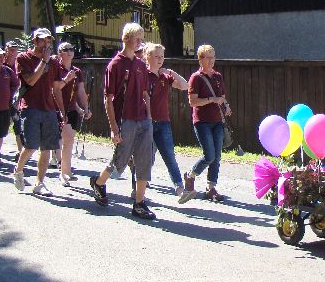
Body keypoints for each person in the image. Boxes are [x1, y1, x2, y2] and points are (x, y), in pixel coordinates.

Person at [89, 22, 156, 220]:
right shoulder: (115, 65)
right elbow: (108, 99)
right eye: (137, 38)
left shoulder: (140, 65)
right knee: (120, 160)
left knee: (144, 161)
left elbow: (145, 93)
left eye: (141, 38)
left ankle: (139, 204)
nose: (140, 42)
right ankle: (99, 183)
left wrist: (149, 117)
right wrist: (114, 128)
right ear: (126, 38)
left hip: (143, 120)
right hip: (125, 120)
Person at [13, 28, 64, 195]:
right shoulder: (23, 58)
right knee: (31, 146)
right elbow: (30, 81)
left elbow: (56, 88)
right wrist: (43, 61)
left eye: (49, 41)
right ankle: (18, 170)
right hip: (30, 108)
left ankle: (39, 183)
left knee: (47, 148)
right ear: (35, 41)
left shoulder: (54, 62)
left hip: (49, 109)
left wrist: (62, 111)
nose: (46, 44)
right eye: (43, 40)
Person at [181, 44, 232, 203]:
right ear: (200, 59)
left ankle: (211, 189)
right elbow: (193, 101)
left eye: (213, 57)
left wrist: (226, 106)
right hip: (202, 122)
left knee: (216, 157)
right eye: (208, 57)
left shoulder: (218, 76)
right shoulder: (196, 78)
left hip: (218, 121)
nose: (211, 60)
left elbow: (222, 97)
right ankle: (190, 176)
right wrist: (212, 100)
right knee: (209, 155)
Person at [144, 42, 189, 197]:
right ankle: (140, 184)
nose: (160, 60)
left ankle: (180, 188)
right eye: (156, 56)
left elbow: (185, 85)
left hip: (163, 122)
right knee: (146, 156)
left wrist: (171, 72)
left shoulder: (165, 76)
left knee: (170, 156)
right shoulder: (143, 75)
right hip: (146, 121)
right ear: (148, 57)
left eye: (162, 57)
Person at [52, 42, 91, 186]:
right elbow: (55, 89)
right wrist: (67, 79)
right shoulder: (56, 69)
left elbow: (80, 91)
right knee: (65, 138)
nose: (69, 52)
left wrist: (86, 107)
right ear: (59, 53)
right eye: (65, 49)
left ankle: (66, 172)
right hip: (57, 108)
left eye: (71, 49)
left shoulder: (77, 71)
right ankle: (62, 173)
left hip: (72, 109)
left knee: (69, 141)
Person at [4, 40, 24, 157]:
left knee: (18, 125)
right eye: (10, 49)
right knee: (2, 125)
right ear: (6, 50)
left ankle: (20, 151)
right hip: (2, 99)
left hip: (16, 100)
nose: (13, 52)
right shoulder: (1, 64)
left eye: (15, 49)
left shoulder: (20, 65)